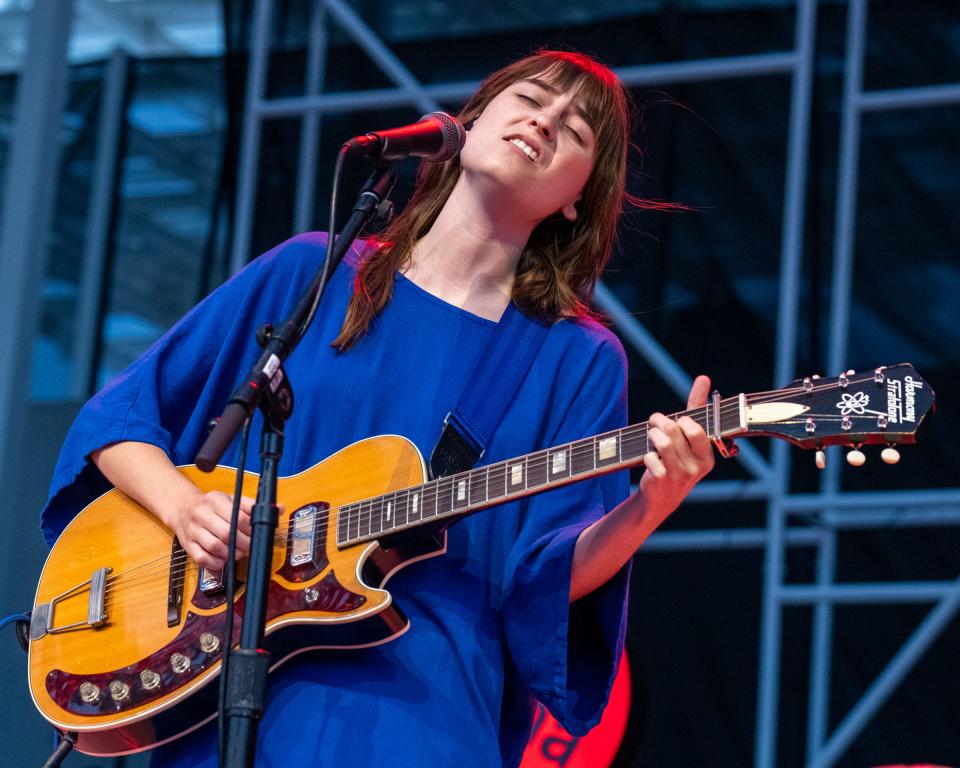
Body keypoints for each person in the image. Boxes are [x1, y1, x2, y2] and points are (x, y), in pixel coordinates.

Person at [40, 50, 714, 767]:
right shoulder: (313, 270)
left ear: (580, 195)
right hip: (234, 683)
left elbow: (545, 576)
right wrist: (182, 506)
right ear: (471, 121)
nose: (544, 122)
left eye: (575, 129)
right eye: (531, 97)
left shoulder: (575, 356)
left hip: (422, 709)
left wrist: (651, 504)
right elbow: (120, 423)